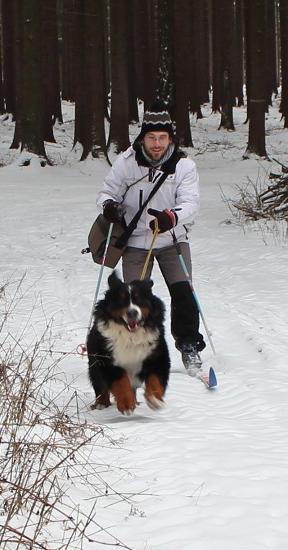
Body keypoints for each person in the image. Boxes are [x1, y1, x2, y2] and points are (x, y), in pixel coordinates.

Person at [97, 103, 205, 375]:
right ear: (143, 137)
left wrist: (172, 217)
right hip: (136, 243)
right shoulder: (127, 162)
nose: (157, 144)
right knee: (135, 300)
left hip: (172, 240)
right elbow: (106, 192)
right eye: (151, 137)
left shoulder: (184, 166)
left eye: (162, 137)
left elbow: (191, 202)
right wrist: (109, 206)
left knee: (184, 294)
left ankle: (189, 345)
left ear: (171, 138)